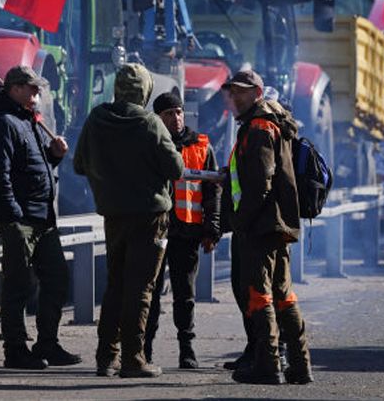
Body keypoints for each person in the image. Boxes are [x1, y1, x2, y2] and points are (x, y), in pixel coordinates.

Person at [74, 63, 185, 378]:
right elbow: (175, 169)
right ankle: (134, 358)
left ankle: (105, 357)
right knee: (141, 288)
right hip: (150, 218)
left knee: (116, 285)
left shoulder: (96, 119)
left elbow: (80, 164)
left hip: (114, 215)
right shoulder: (150, 122)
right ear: (145, 91)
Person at [0, 65, 81, 370]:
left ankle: (47, 343)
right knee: (18, 284)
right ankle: (15, 349)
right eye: (32, 88)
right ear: (14, 88)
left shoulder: (30, 122)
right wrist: (12, 214)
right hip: (21, 219)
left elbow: (34, 168)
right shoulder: (3, 124)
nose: (37, 93)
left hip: (42, 219)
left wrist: (54, 156)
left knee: (57, 278)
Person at [223, 69, 313, 385]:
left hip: (261, 224)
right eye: (232, 92)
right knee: (283, 294)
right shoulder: (273, 122)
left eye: (242, 91)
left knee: (259, 294)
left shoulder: (259, 127)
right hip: (277, 223)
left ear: (257, 93)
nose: (235, 97)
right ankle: (300, 365)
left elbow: (260, 182)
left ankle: (268, 364)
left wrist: (241, 221)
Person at [144, 91, 222, 369]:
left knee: (184, 294)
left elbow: (213, 190)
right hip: (156, 230)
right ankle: (145, 349)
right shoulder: (151, 144)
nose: (176, 118)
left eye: (178, 112)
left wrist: (211, 229)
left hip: (187, 231)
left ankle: (187, 350)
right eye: (169, 114)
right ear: (159, 117)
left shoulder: (201, 145)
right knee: (150, 294)